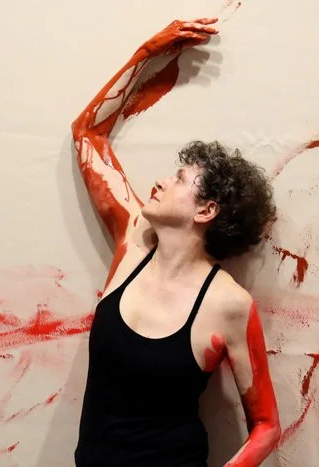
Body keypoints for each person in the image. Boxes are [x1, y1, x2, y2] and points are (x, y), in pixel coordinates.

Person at [71, 17, 281, 467]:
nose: (162, 182)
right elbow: (88, 134)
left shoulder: (229, 304)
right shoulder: (132, 243)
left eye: (180, 179)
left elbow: (266, 426)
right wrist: (146, 53)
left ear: (206, 211)